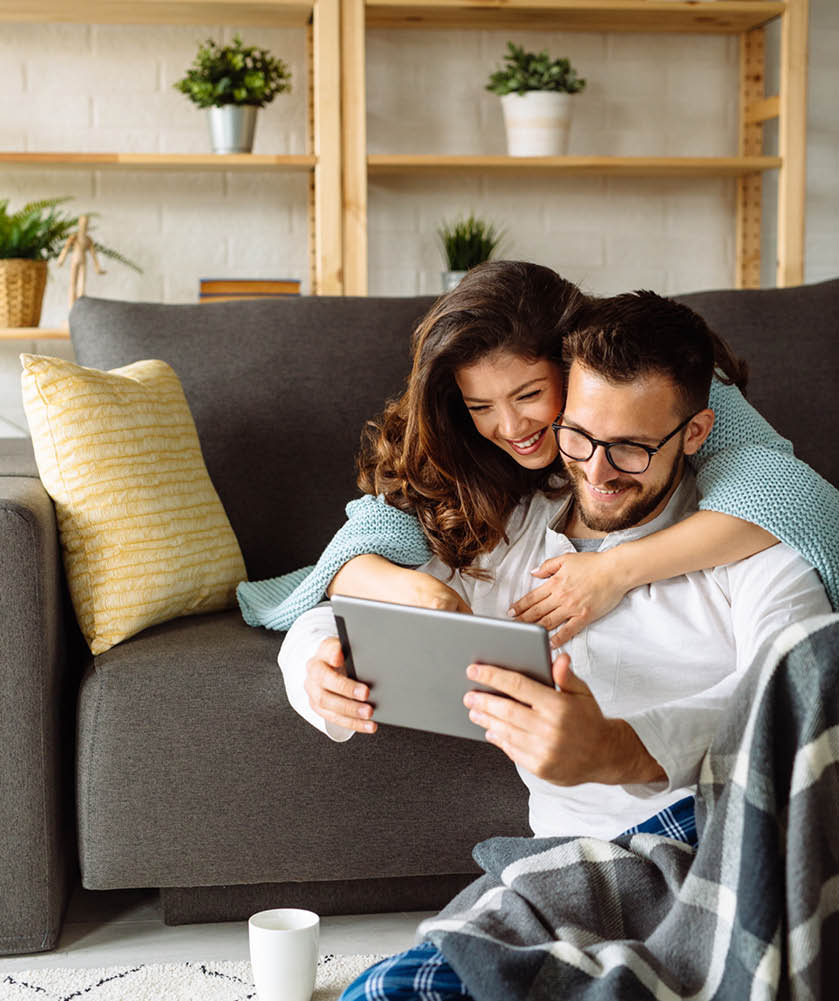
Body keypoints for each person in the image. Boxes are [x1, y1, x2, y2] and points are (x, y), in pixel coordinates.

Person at [281, 289, 832, 1001]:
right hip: (567, 870)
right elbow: (335, 612)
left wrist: (621, 749)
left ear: (695, 433)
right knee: (391, 993)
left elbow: (799, 696)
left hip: (727, 840)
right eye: (576, 436)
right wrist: (314, 666)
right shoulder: (509, 528)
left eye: (631, 446)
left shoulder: (755, 543)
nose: (598, 471)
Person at [237, 262, 839, 649]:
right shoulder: (462, 443)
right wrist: (425, 597)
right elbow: (354, 556)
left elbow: (791, 500)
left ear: (577, 364)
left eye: (530, 395)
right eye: (482, 405)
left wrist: (614, 570)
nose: (511, 427)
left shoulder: (646, 384)